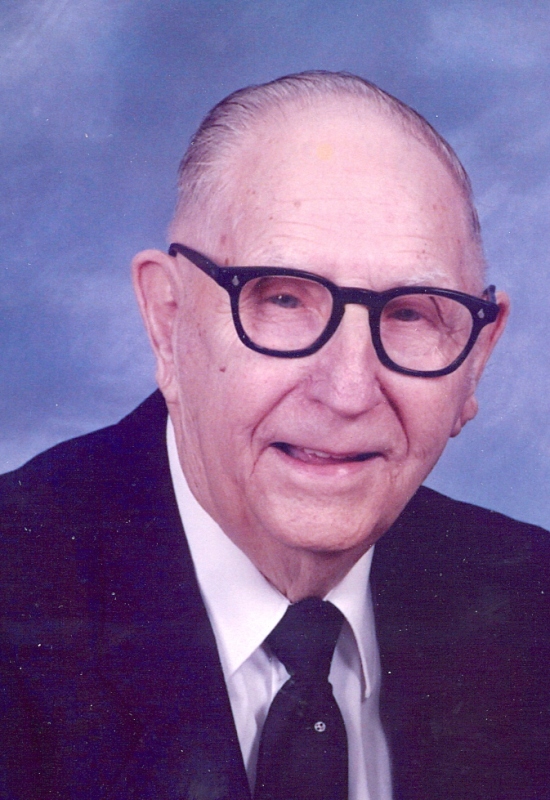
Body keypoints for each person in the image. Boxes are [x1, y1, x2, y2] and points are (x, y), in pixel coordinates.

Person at [1, 71, 548, 800]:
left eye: (411, 312)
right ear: (167, 322)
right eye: (283, 299)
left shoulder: (534, 606)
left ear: (476, 359)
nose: (348, 391)